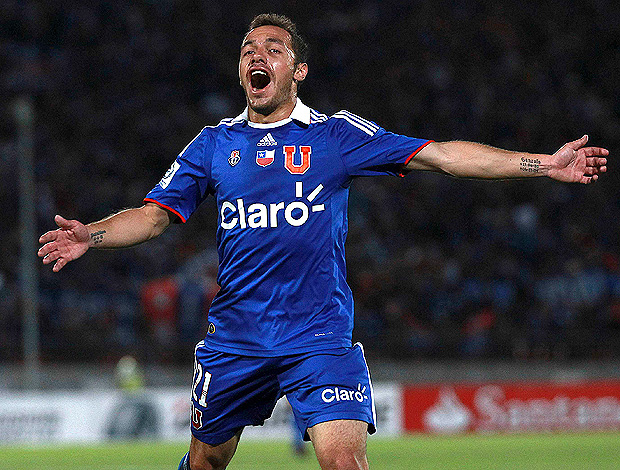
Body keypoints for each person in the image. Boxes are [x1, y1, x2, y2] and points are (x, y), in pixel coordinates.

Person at [38, 13, 608, 470]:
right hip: (237, 337)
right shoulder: (213, 145)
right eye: (247, 51)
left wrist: (542, 165)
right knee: (207, 459)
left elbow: (442, 155)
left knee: (344, 463)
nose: (256, 56)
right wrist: (90, 234)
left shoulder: (336, 136)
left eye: (272, 49)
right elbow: (154, 216)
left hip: (319, 337)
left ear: (299, 70)